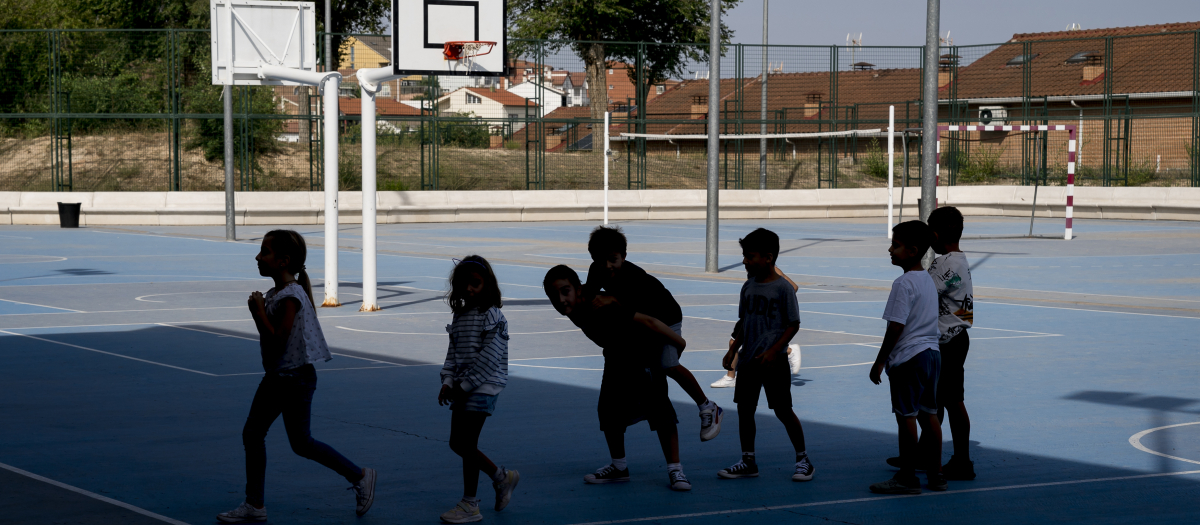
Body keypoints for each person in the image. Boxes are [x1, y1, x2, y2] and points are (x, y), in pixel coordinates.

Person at [218, 230, 375, 523]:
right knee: (284, 440)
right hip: (282, 376)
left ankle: (359, 475)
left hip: (292, 378)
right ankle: (256, 504)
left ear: (283, 261)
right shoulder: (280, 293)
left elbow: (278, 340)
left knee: (275, 438)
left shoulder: (290, 296)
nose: (258, 257)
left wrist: (258, 314)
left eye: (264, 252)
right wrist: (262, 310)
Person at [543, 265, 693, 492]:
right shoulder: (573, 310)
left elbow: (647, 321)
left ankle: (675, 469)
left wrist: (678, 342)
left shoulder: (601, 304)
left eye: (565, 291)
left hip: (642, 353)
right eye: (554, 296)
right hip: (615, 356)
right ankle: (619, 467)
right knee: (607, 410)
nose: (561, 299)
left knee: (660, 410)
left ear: (579, 289)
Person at [584, 226, 722, 441]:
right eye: (601, 260)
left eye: (613, 259)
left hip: (665, 318)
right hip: (644, 321)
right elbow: (590, 294)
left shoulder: (634, 277)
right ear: (593, 259)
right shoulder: (596, 270)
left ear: (624, 256)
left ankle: (708, 406)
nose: (607, 266)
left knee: (669, 365)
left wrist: (612, 300)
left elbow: (646, 315)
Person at [717, 228, 815, 482]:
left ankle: (803, 459)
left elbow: (793, 324)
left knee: (783, 410)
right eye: (745, 256)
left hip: (773, 361)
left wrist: (774, 350)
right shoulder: (748, 287)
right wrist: (732, 349)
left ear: (768, 257)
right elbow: (744, 322)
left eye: (750, 256)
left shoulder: (783, 289)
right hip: (748, 360)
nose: (745, 261)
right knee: (745, 410)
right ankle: (748, 460)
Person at [437, 256, 520, 523]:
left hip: (483, 387)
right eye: (464, 284)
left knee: (465, 443)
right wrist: (448, 381)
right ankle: (501, 478)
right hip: (463, 387)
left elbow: (489, 359)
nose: (470, 289)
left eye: (476, 283)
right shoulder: (460, 315)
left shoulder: (492, 315)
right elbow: (453, 354)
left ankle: (470, 504)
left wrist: (463, 386)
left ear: (487, 284)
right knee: (457, 443)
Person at [868, 221, 945, 494]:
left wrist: (880, 361)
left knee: (906, 417)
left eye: (895, 245)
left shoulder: (903, 283)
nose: (890, 249)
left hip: (909, 358)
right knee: (930, 416)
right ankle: (936, 474)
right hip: (932, 355)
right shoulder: (927, 280)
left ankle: (907, 477)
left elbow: (896, 326)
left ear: (912, 250)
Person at [926, 207, 975, 480]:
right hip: (949, 338)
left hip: (951, 340)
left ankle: (962, 461)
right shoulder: (950, 260)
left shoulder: (950, 265)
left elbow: (925, 290)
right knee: (937, 401)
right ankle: (927, 452)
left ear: (934, 234)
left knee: (953, 401)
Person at [711, 267, 803, 388]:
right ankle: (730, 376)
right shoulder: (755, 266)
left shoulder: (772, 269)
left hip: (760, 314)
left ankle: (789, 351)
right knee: (736, 342)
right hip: (752, 312)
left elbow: (793, 287)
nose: (745, 261)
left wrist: (769, 302)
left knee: (738, 341)